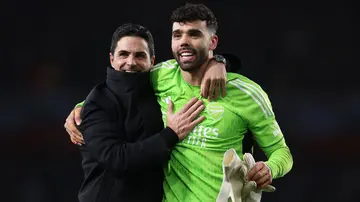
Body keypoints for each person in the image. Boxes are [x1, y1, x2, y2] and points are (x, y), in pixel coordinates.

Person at [65, 3, 293, 201]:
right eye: (177, 35)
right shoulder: (160, 76)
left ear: (213, 41)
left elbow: (282, 153)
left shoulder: (247, 93)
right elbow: (119, 87)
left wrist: (270, 168)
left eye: (194, 34)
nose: (184, 42)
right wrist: (81, 108)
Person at [66, 23, 235, 202]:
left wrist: (220, 62)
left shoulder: (157, 89)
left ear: (152, 62)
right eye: (123, 54)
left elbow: (194, 68)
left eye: (140, 55)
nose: (131, 62)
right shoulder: (98, 102)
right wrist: (171, 134)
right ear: (111, 59)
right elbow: (115, 159)